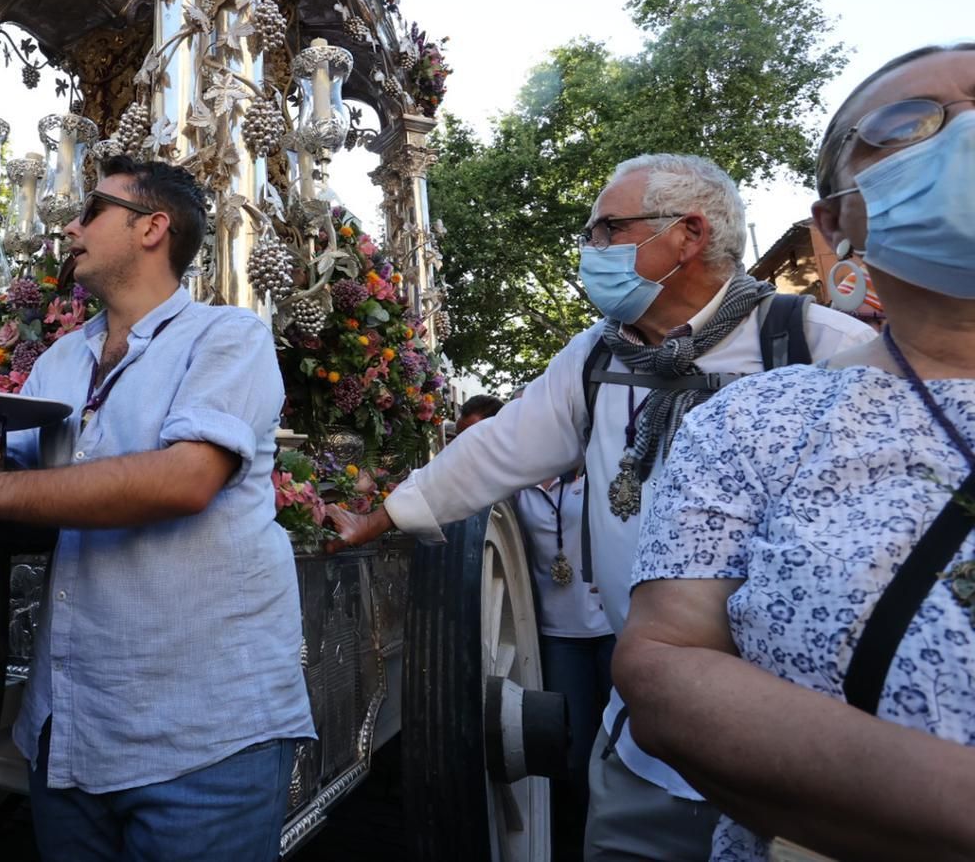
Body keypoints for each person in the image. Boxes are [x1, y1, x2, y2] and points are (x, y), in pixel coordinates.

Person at [331, 152, 875, 861]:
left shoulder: (822, 348)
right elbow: (497, 449)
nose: (591, 252)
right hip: (647, 743)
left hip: (807, 752)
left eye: (607, 230)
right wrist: (381, 517)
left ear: (687, 234)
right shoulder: (594, 359)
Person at [0, 156, 314, 862]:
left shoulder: (228, 337)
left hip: (206, 737)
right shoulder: (59, 362)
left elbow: (186, 479)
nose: (69, 227)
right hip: (71, 734)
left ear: (152, 228)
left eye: (92, 210)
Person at [616, 44, 975, 862]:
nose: (966, 135)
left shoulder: (804, 332)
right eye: (907, 125)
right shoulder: (757, 421)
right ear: (834, 224)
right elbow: (666, 670)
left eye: (613, 228)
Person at [512, 467, 609, 860]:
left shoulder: (600, 472)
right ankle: (587, 837)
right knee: (576, 744)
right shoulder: (519, 487)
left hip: (610, 625)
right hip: (558, 634)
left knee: (628, 734)